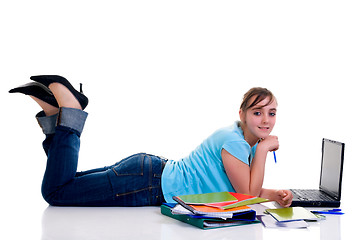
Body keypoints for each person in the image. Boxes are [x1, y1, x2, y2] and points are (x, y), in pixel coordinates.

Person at [9, 75, 293, 207]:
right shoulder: (236, 143)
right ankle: (70, 113)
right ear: (242, 113)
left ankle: (55, 115)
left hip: (146, 174)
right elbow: (246, 194)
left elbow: (242, 187)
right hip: (147, 182)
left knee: (65, 183)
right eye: (257, 112)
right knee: (57, 193)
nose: (266, 120)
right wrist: (265, 150)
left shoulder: (238, 137)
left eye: (271, 113)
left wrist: (274, 194)